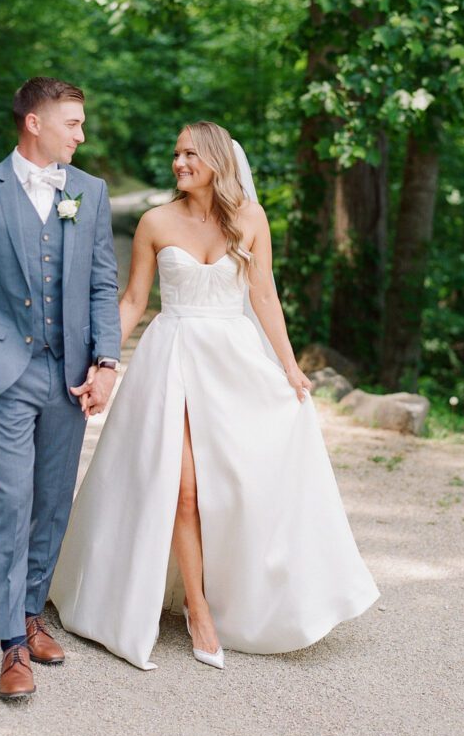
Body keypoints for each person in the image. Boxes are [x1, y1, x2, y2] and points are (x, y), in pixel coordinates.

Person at [50, 121, 379, 670]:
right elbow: (133, 300)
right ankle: (197, 609)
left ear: (218, 160)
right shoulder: (156, 222)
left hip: (234, 363)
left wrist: (290, 367)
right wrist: (105, 361)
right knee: (179, 489)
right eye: (176, 152)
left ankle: (243, 592)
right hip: (172, 357)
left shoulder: (250, 219)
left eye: (190, 154)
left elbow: (265, 295)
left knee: (230, 488)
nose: (179, 162)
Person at [0, 76, 121, 700]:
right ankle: (11, 644)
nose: (82, 134)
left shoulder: (88, 192)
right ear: (35, 122)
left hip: (69, 376)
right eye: (73, 122)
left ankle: (32, 610)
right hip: (6, 374)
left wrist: (106, 362)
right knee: (11, 501)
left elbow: (100, 285)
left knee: (52, 501)